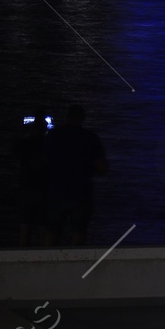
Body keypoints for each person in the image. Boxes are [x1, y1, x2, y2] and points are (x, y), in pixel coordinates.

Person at [44, 104, 109, 246]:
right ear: (83, 118)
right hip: (81, 191)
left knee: (52, 230)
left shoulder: (53, 135)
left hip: (57, 189)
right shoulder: (90, 138)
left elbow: (44, 160)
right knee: (79, 231)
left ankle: (46, 263)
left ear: (67, 117)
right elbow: (101, 166)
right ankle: (77, 265)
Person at [11, 114, 53, 247]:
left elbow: (14, 152)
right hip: (43, 190)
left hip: (26, 189)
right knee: (43, 229)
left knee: (25, 228)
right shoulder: (48, 145)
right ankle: (43, 260)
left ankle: (22, 260)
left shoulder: (25, 143)